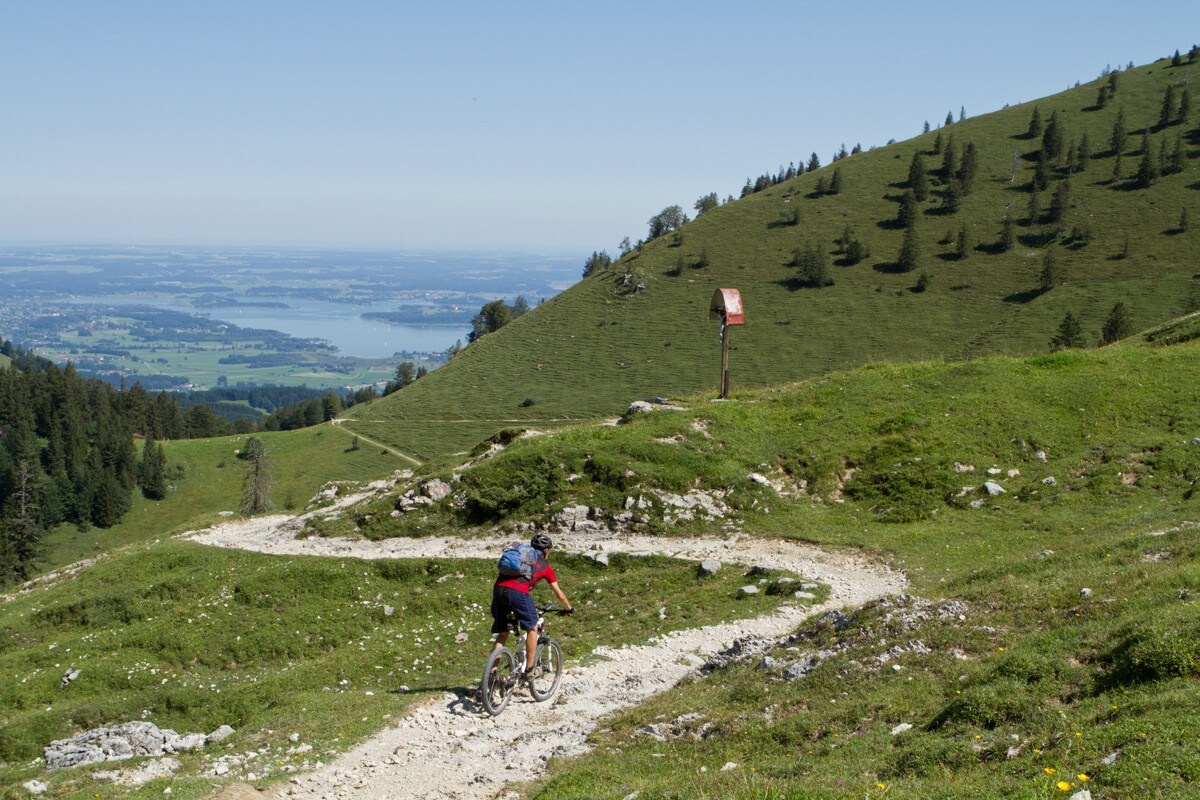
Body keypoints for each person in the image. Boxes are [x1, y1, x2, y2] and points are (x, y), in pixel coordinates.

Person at [490, 533, 573, 682]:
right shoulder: (545, 566)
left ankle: (491, 673)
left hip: (498, 590)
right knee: (532, 628)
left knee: (503, 633)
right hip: (518, 593)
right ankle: (529, 670)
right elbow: (559, 594)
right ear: (546, 551)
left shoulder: (521, 555)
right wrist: (568, 608)